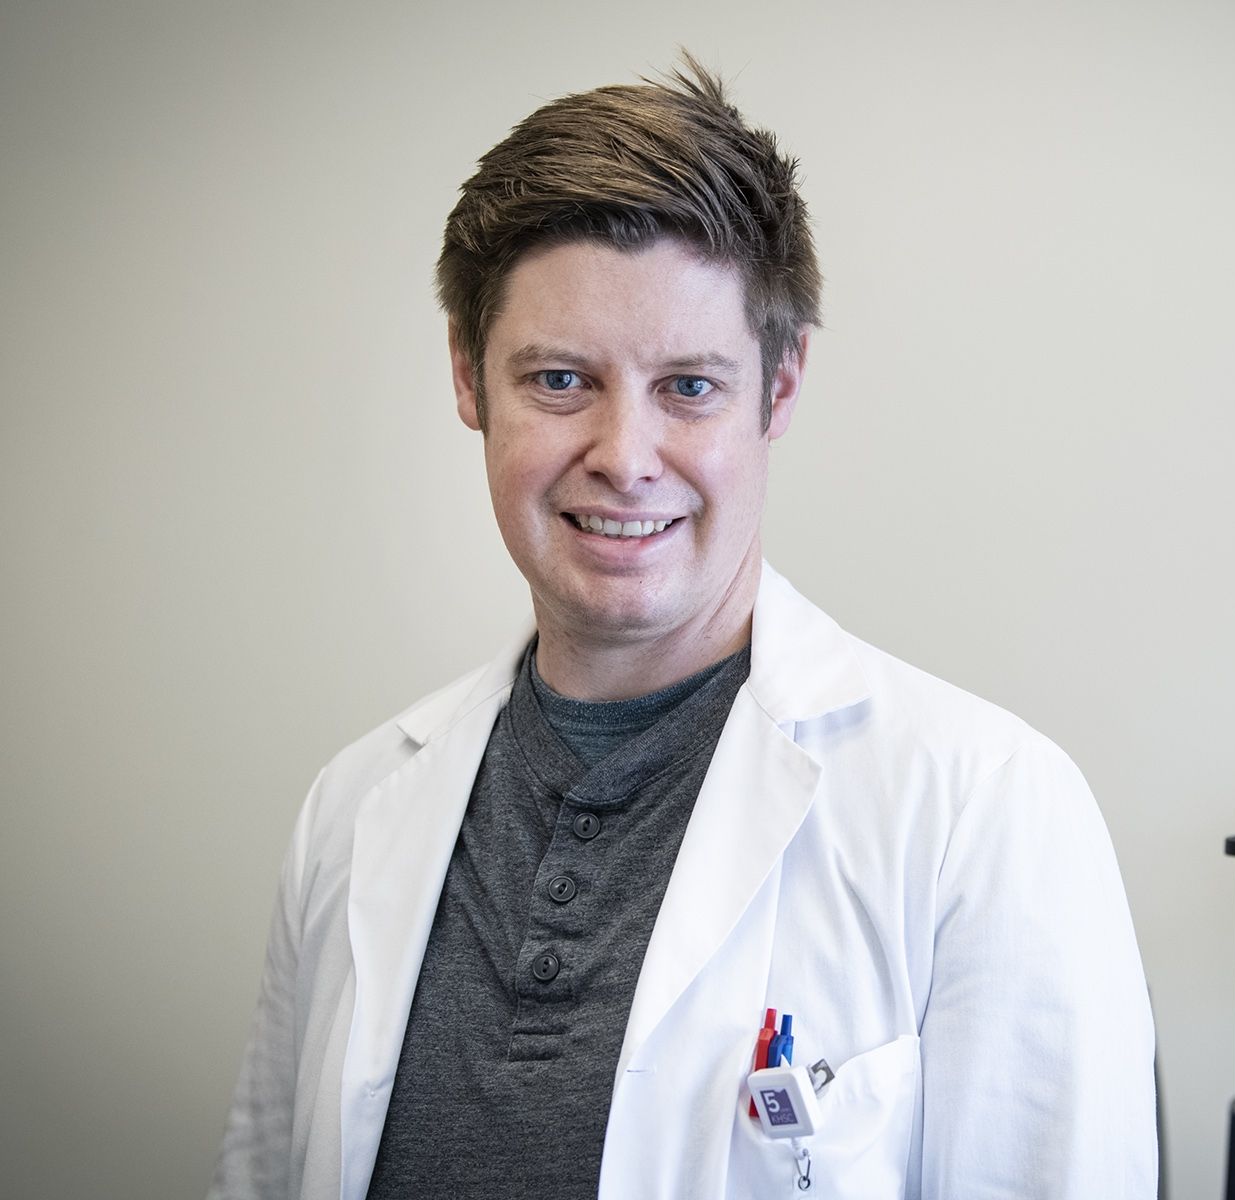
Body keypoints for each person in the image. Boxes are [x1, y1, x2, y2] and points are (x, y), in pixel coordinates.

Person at [211, 57, 1156, 1200]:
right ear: (469, 379)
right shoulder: (352, 813)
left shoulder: (984, 812)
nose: (623, 453)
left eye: (690, 387)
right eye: (560, 380)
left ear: (781, 385)